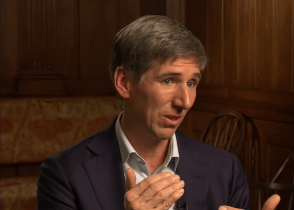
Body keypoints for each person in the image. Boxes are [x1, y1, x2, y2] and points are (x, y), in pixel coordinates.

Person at [36, 15, 280, 210]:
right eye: (168, 81)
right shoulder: (64, 173)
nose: (184, 101)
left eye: (191, 83)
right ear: (124, 82)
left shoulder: (226, 169)